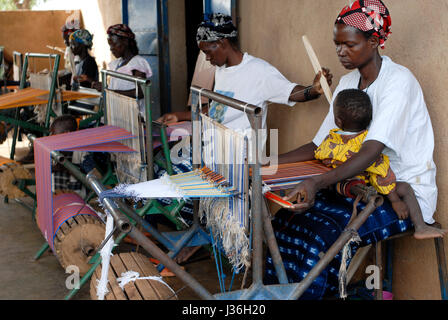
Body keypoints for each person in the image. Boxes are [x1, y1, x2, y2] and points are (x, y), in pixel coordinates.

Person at [264, 0, 440, 299]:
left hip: (400, 194)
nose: (341, 52)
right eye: (337, 45)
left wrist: (316, 182)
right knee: (285, 220)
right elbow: (320, 145)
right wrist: (264, 163)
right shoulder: (349, 82)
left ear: (373, 41)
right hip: (358, 186)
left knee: (322, 235)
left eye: (349, 44)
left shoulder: (398, 82)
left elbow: (371, 152)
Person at [153, 13, 333, 262]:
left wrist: (313, 89)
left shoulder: (259, 72)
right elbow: (218, 109)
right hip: (212, 149)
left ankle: (212, 235)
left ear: (223, 44)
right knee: (160, 164)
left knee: (171, 183)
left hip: (237, 157)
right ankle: (204, 232)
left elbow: (294, 93)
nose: (207, 58)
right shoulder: (223, 69)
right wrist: (181, 115)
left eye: (208, 51)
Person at [315, 88, 446, 239]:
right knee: (405, 188)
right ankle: (420, 226)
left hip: (343, 187)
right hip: (366, 187)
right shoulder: (367, 143)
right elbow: (381, 173)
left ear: (338, 121)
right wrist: (395, 200)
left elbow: (320, 154)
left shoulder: (331, 140)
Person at [92, 24, 152, 115]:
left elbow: (141, 92)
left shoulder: (137, 63)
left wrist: (110, 92)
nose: (111, 49)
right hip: (120, 114)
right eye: (110, 45)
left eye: (114, 44)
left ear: (125, 42)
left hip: (133, 116)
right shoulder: (117, 64)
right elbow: (118, 87)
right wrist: (105, 88)